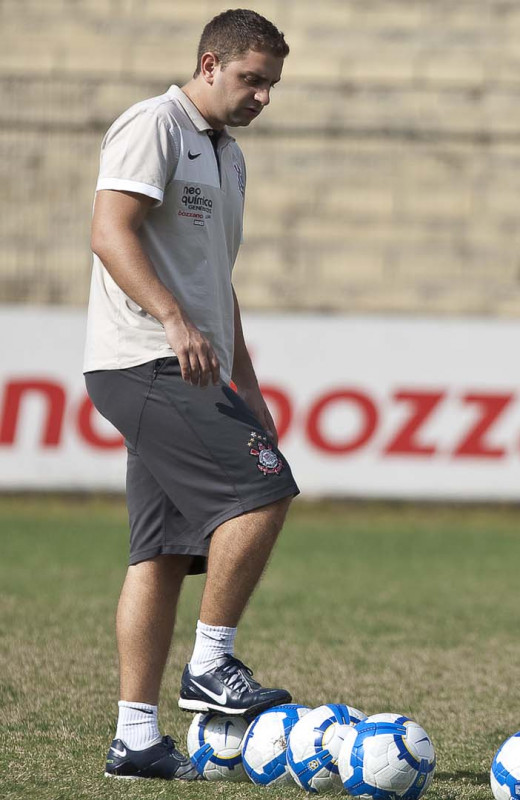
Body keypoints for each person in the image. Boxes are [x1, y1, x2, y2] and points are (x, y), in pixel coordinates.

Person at [84, 9, 297, 780]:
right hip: (144, 359)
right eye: (252, 79)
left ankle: (136, 740)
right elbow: (111, 232)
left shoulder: (228, 156)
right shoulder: (155, 125)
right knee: (264, 490)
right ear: (210, 64)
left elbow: (219, 284)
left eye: (271, 85)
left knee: (165, 553)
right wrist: (172, 319)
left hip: (195, 365)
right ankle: (212, 666)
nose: (263, 96)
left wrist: (250, 383)